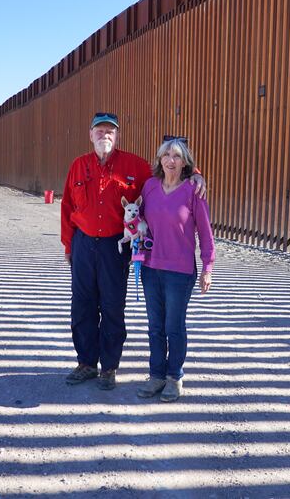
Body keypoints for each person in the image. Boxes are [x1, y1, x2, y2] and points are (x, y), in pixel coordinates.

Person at [60, 113, 205, 390]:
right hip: (83, 243)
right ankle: (86, 363)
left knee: (113, 305)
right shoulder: (78, 166)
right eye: (100, 131)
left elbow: (170, 170)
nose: (105, 136)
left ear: (117, 136)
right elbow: (67, 207)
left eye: (110, 132)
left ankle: (109, 367)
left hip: (115, 246)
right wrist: (69, 245)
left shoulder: (135, 165)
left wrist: (196, 175)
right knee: (82, 305)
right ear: (90, 135)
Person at [136, 135, 214, 402]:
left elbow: (205, 232)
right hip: (150, 267)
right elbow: (139, 219)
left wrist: (208, 267)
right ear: (159, 159)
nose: (171, 160)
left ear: (185, 163)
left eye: (177, 156)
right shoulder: (149, 187)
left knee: (174, 326)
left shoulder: (193, 191)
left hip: (179, 272)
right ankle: (156, 375)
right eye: (166, 155)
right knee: (155, 325)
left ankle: (174, 377)